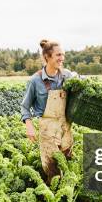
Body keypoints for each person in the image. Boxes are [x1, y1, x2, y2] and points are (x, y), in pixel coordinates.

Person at [21, 39, 77, 185]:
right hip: (48, 128)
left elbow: (83, 83)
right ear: (47, 57)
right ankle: (53, 198)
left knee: (68, 162)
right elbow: (25, 106)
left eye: (63, 55)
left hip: (65, 126)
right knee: (53, 168)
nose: (62, 58)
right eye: (58, 55)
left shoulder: (67, 76)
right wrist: (29, 125)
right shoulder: (36, 81)